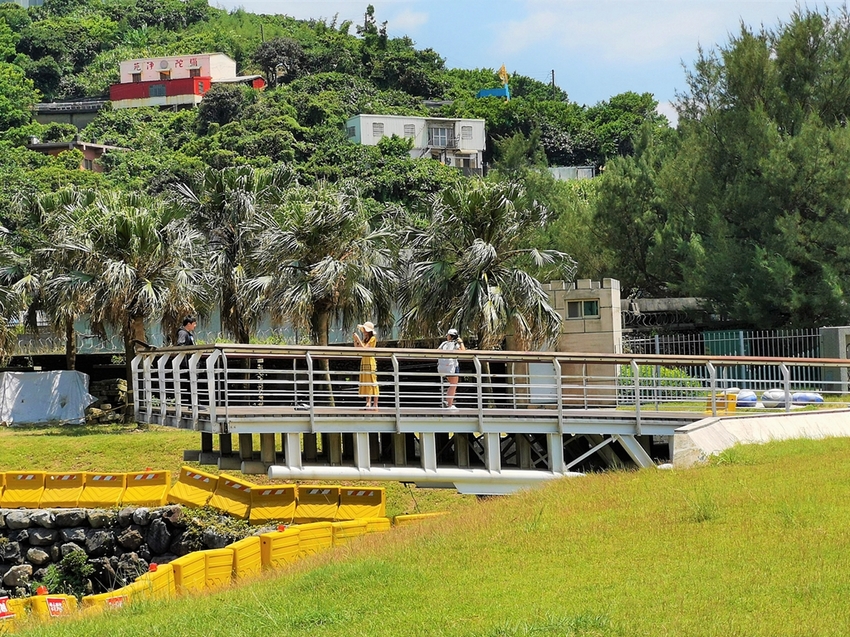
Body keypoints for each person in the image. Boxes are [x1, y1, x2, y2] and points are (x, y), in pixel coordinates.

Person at [353, 321, 379, 409]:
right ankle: (368, 402)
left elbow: (365, 348)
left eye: (364, 329)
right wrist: (356, 340)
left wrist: (358, 340)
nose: (363, 331)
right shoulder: (365, 340)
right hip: (364, 361)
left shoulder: (373, 339)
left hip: (370, 361)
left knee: (372, 381)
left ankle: (375, 403)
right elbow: (358, 349)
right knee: (365, 380)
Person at [437, 328, 465, 408]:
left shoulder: (444, 344)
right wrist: (461, 342)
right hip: (452, 367)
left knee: (451, 385)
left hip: (443, 367)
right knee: (453, 385)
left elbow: (437, 351)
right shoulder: (455, 344)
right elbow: (463, 351)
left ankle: (448, 401)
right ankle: (449, 404)